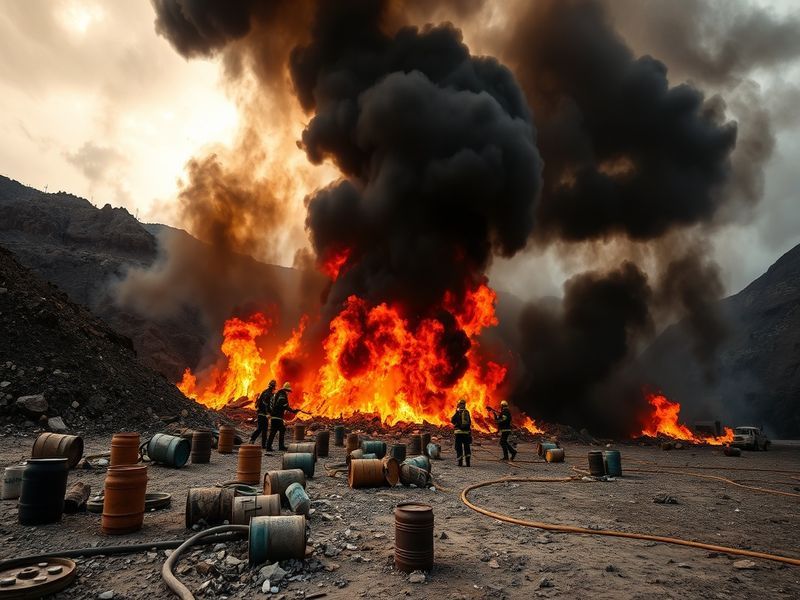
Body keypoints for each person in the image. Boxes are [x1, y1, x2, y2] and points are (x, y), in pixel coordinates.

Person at [266, 382, 300, 451]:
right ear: (285, 390)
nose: (288, 393)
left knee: (273, 431)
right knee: (282, 429)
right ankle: (280, 447)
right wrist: (293, 411)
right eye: (288, 391)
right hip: (277, 416)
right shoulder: (282, 395)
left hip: (274, 416)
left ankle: (268, 447)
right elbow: (283, 405)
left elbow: (280, 405)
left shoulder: (278, 394)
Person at [249, 380, 275, 449]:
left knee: (264, 429)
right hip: (263, 414)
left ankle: (263, 444)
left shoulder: (265, 392)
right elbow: (266, 404)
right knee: (260, 428)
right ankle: (252, 439)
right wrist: (267, 413)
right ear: (273, 387)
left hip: (262, 414)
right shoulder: (268, 394)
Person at [451, 398, 472, 467]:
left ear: (459, 405)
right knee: (467, 447)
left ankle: (460, 463)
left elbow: (452, 420)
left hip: (459, 434)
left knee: (459, 447)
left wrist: (456, 411)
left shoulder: (458, 413)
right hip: (466, 433)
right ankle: (468, 463)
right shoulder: (467, 412)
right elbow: (469, 422)